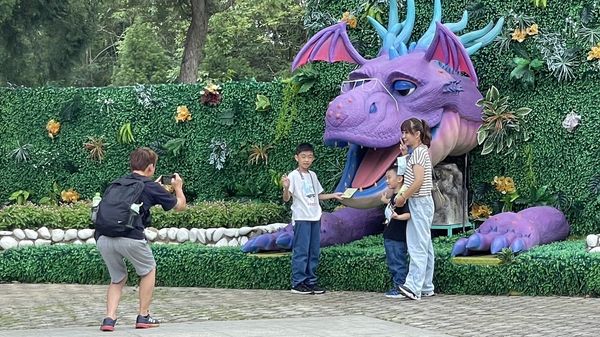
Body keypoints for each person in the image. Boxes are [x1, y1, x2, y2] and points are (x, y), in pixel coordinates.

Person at [96, 147, 186, 331]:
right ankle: (143, 316)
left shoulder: (117, 183)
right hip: (130, 236)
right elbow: (180, 206)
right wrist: (178, 188)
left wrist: (156, 188)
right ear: (151, 168)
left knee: (117, 279)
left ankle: (109, 319)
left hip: (104, 236)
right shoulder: (150, 186)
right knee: (148, 270)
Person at [281, 143, 343, 295]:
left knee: (313, 251)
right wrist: (285, 187)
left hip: (315, 217)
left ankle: (310, 282)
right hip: (302, 218)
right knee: (302, 251)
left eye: (309, 157)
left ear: (313, 158)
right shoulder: (293, 176)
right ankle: (298, 283)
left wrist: (334, 196)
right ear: (297, 158)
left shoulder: (313, 175)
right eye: (303, 157)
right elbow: (287, 198)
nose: (306, 160)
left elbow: (318, 195)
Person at [395, 118, 435, 300]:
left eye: (407, 133)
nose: (404, 137)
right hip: (422, 202)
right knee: (424, 245)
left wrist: (403, 196)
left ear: (417, 134)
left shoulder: (419, 153)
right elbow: (409, 175)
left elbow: (417, 181)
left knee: (417, 245)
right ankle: (426, 285)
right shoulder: (419, 152)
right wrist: (404, 155)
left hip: (419, 202)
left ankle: (413, 286)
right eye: (403, 133)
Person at [380, 161, 410, 298]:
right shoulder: (394, 196)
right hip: (390, 235)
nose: (387, 181)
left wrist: (398, 217)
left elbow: (408, 214)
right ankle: (396, 286)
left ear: (399, 179)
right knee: (393, 262)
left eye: (389, 177)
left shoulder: (402, 197)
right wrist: (385, 201)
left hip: (397, 236)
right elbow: (392, 206)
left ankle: (400, 287)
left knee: (398, 262)